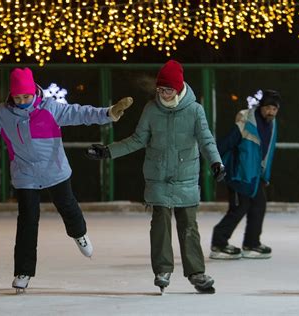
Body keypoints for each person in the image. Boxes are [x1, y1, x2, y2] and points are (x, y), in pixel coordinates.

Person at [0, 67, 133, 292]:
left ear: (34, 92)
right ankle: (23, 271)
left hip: (54, 170)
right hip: (25, 175)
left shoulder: (50, 108)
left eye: (27, 96)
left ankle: (79, 234)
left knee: (68, 207)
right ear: (11, 95)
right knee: (27, 222)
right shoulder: (2, 115)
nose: (22, 101)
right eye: (18, 97)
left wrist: (109, 112)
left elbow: (79, 113)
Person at [86, 60, 225, 294]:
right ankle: (162, 269)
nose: (163, 94)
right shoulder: (151, 109)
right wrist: (108, 151)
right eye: (160, 90)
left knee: (189, 226)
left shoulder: (194, 110)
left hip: (185, 177)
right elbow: (137, 140)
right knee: (159, 225)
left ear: (179, 88)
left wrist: (216, 162)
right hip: (158, 177)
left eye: (168, 90)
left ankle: (196, 272)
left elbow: (206, 139)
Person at [209, 89, 281, 260]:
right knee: (239, 208)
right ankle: (218, 243)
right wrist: (217, 163)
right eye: (268, 108)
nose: (271, 112)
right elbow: (225, 143)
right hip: (238, 174)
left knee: (258, 206)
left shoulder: (272, 124)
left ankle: (251, 243)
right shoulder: (246, 122)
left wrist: (265, 175)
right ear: (261, 107)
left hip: (255, 177)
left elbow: (267, 152)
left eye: (274, 109)